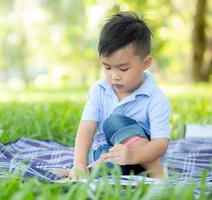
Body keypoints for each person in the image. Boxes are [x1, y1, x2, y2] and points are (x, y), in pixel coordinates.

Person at [70, 12, 171, 179]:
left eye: (123, 69)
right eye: (107, 68)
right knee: (102, 166)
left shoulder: (156, 98)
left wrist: (132, 156)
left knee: (113, 122)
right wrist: (79, 164)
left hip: (143, 159)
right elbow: (86, 127)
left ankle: (157, 172)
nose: (114, 76)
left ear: (145, 63)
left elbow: (161, 144)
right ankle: (103, 173)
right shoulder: (99, 90)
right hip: (111, 157)